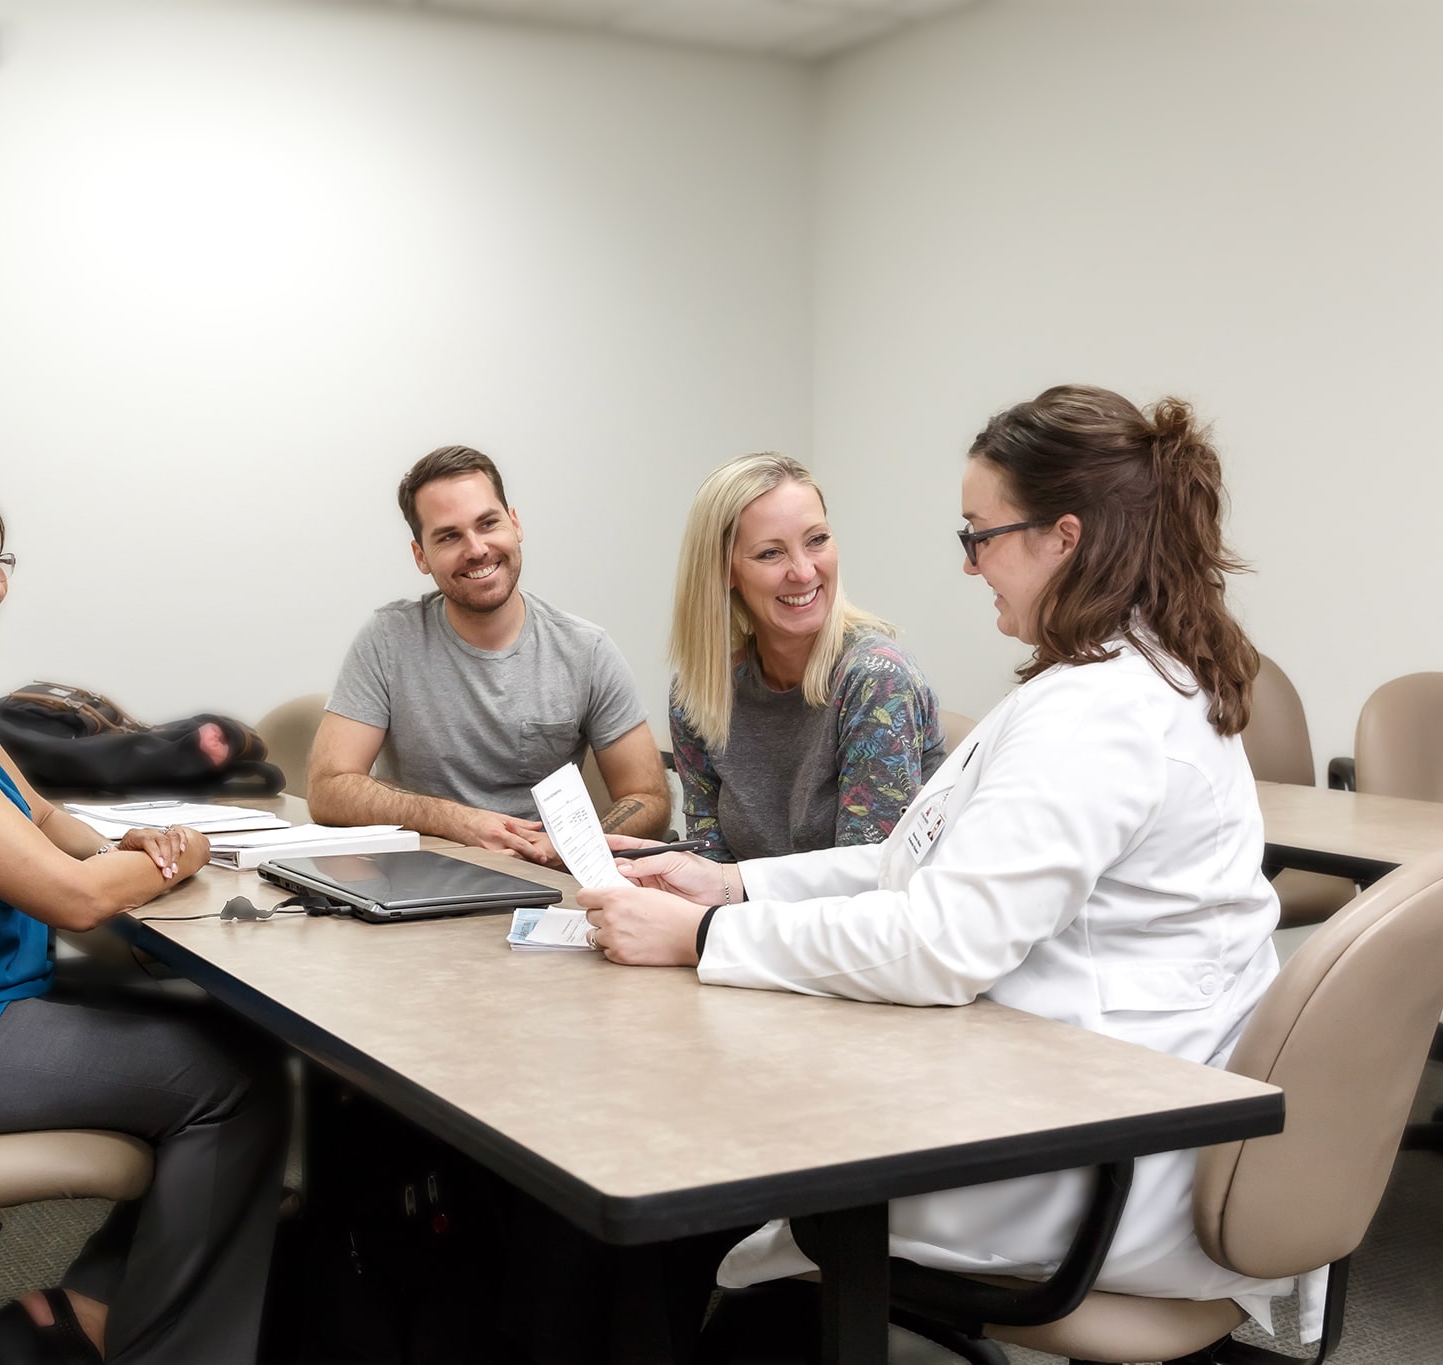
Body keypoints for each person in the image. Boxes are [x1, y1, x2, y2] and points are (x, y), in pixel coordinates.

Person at [580, 386, 1301, 1332]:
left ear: (1063, 537)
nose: (971, 566)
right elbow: (917, 863)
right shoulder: (1112, 679)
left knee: (679, 1169)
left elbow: (937, 941)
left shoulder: (1097, 716)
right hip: (1105, 1097)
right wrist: (735, 881)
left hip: (1090, 1159)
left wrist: (706, 936)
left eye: (980, 535)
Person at [0, 472, 288, 1363]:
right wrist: (184, 855)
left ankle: (92, 1311)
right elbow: (75, 896)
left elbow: (52, 827)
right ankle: (140, 1339)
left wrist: (134, 838)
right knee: (233, 1079)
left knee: (227, 1030)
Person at [308, 445, 671, 860]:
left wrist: (575, 847)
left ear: (514, 524)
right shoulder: (388, 639)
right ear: (420, 556)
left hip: (546, 882)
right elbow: (329, 788)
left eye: (488, 523)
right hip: (419, 875)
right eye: (449, 536)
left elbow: (648, 797)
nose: (477, 548)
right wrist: (455, 821)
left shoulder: (585, 649)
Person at [667, 453, 945, 861]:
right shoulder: (697, 693)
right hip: (744, 923)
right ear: (724, 571)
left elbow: (863, 883)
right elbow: (710, 867)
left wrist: (727, 905)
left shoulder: (877, 679)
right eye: (770, 554)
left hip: (857, 922)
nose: (802, 571)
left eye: (817, 540)